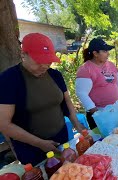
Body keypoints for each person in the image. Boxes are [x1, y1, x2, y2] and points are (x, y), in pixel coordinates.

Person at [0, 33, 85, 166]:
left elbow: (66, 101)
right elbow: (4, 123)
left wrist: (76, 123)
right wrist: (39, 143)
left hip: (61, 138)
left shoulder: (55, 75)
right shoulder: (9, 80)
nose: (45, 66)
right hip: (31, 148)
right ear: (23, 55)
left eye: (48, 61)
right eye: (39, 61)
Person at [76, 38, 118, 129]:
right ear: (95, 53)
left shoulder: (111, 65)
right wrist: (97, 113)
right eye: (105, 51)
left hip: (117, 109)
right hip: (100, 112)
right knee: (105, 140)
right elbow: (82, 93)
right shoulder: (86, 69)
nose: (108, 53)